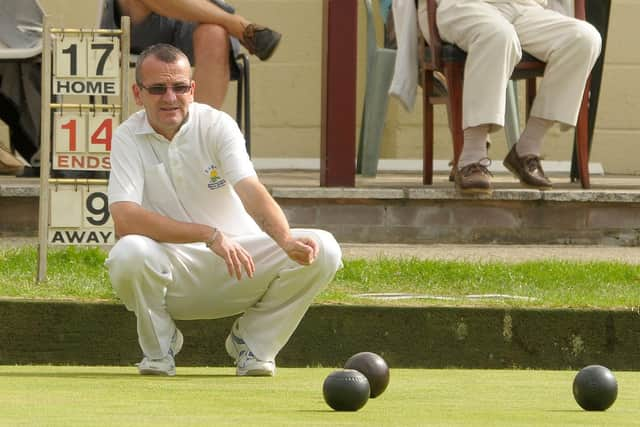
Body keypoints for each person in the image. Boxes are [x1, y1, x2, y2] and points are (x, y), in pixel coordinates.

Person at [105, 43, 341, 377]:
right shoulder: (127, 136)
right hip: (174, 271)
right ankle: (160, 350)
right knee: (128, 253)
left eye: (179, 87)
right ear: (138, 92)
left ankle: (253, 344)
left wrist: (286, 240)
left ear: (193, 88)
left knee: (325, 248)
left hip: (239, 263)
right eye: (157, 89)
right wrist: (209, 235)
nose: (170, 98)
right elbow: (125, 219)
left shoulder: (217, 125)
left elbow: (251, 191)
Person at [426, 0, 602, 194]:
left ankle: (527, 148)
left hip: (526, 8)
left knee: (584, 38)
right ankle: (472, 158)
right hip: (464, 5)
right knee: (497, 34)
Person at [101, 0, 281, 108]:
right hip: (137, 24)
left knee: (215, 34)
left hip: (194, 17)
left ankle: (195, 143)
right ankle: (238, 26)